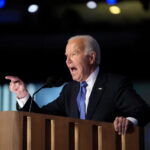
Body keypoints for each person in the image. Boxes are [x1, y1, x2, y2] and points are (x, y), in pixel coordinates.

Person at [5, 35, 149, 135]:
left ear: (91, 58)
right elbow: (41, 118)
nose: (67, 61)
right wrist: (22, 94)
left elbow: (142, 110)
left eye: (73, 54)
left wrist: (128, 122)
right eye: (66, 56)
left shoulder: (114, 84)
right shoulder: (70, 90)